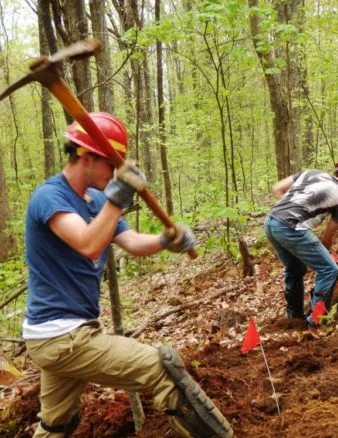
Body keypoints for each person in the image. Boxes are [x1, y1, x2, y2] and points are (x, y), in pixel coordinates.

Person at [23, 112, 232, 438]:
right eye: (111, 164)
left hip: (67, 333)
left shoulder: (96, 200)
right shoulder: (50, 197)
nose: (114, 173)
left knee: (57, 424)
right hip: (60, 337)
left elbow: (131, 242)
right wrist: (119, 198)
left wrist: (165, 241)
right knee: (163, 368)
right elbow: (89, 244)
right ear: (87, 157)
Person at [264, 156, 338, 326]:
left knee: (295, 268)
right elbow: (326, 241)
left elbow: (277, 188)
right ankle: (316, 321)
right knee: (329, 270)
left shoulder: (312, 173)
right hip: (291, 227)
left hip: (271, 222)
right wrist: (329, 263)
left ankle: (295, 317)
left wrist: (289, 210)